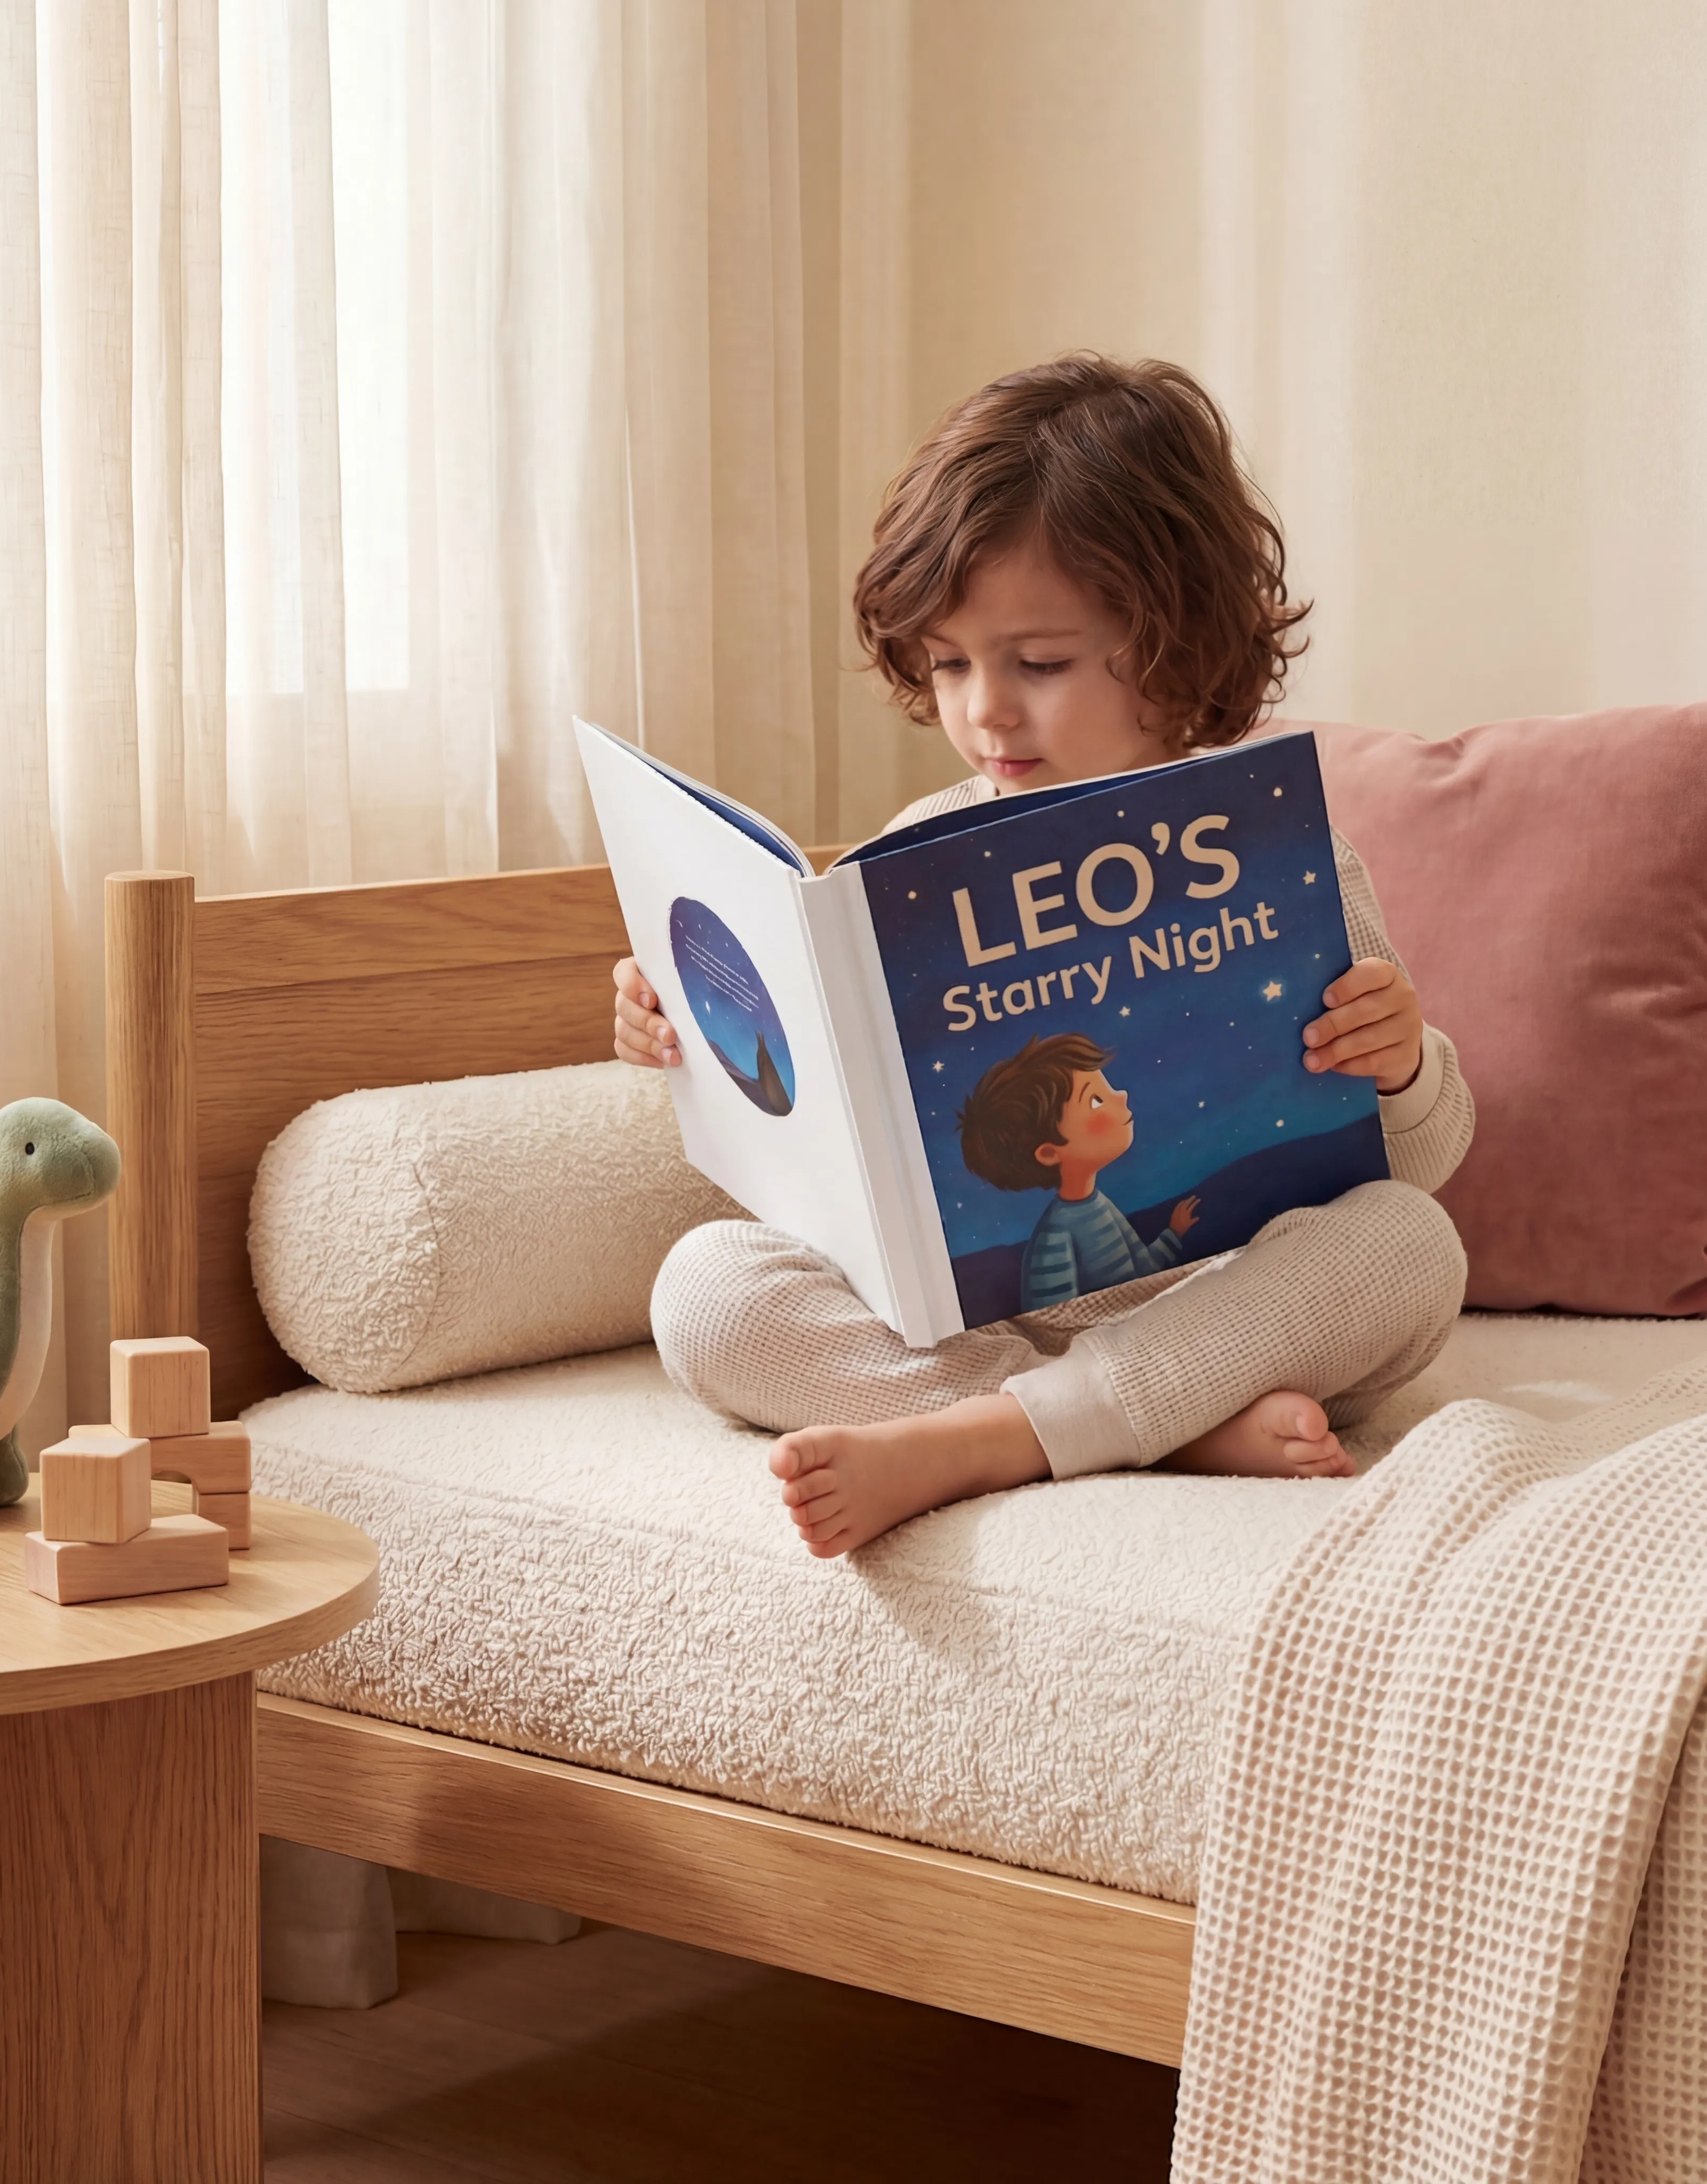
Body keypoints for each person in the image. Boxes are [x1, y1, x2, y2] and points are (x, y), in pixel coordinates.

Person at [613, 354, 1473, 1556]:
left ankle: (993, 1439)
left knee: (1409, 1247)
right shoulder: (910, 864)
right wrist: (700, 1041)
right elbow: (815, 1167)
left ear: (1173, 643)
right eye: (951, 663)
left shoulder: (1275, 848)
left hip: (1218, 1315)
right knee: (703, 1292)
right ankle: (1126, 1429)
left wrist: (1400, 1062)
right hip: (975, 1334)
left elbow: (1420, 1158)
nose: (985, 712)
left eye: (1040, 664)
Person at [956, 1033, 1201, 1311]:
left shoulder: (1100, 1206)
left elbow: (1143, 1271)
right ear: (1049, 1153)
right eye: (1096, 1100)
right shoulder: (1055, 1239)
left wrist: (1173, 1232)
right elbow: (1057, 1323)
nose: (1121, 1095)